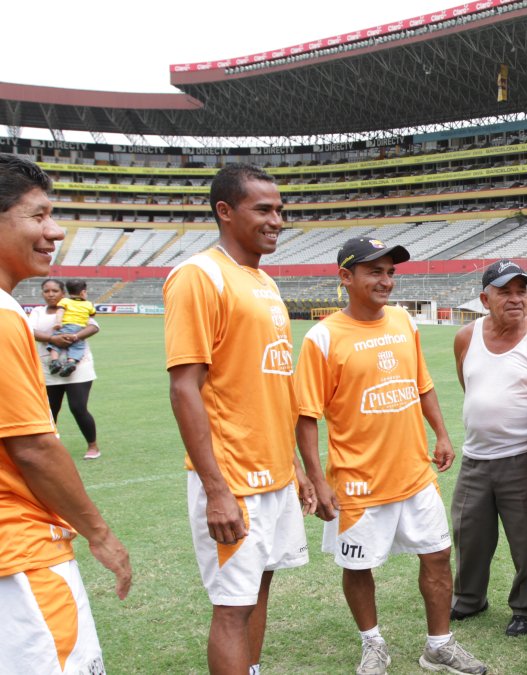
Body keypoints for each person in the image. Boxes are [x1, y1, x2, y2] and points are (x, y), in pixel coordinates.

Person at [296, 237, 488, 675]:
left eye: (390, 272)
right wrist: (316, 480)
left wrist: (440, 433)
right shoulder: (322, 338)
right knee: (359, 566)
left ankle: (439, 646)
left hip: (415, 473)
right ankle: (373, 644)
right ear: (346, 277)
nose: (386, 281)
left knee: (438, 555)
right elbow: (305, 416)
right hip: (358, 481)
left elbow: (421, 384)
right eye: (374, 272)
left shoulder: (403, 321)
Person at [164, 163, 314, 675]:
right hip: (234, 478)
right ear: (225, 212)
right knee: (232, 606)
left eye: (280, 210)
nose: (277, 220)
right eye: (264, 209)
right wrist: (216, 488)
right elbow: (185, 387)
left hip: (272, 472)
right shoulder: (198, 276)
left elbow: (267, 385)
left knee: (259, 585)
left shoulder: (264, 281)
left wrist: (291, 463)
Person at [0, 154, 131, 672]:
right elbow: (31, 445)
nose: (55, 231)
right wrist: (101, 534)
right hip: (21, 547)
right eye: (38, 216)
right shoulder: (6, 317)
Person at [450, 259, 527, 638]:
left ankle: (526, 607)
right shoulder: (466, 336)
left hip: (526, 457)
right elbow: (469, 385)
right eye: (505, 291)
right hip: (476, 458)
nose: (516, 298)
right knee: (468, 533)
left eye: (521, 291)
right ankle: (469, 598)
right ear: (484, 297)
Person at [28, 278, 103, 459]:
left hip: (78, 367)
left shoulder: (76, 306)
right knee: (50, 410)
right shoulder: (37, 312)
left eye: (55, 291)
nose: (51, 294)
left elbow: (93, 327)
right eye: (47, 291)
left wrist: (74, 336)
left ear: (63, 293)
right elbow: (29, 331)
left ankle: (93, 446)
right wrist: (53, 339)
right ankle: (50, 448)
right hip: (49, 368)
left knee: (78, 407)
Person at [46, 279, 95, 376]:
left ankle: (55, 361)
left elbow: (60, 311)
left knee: (55, 343)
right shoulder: (88, 304)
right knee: (77, 347)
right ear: (83, 292)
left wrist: (58, 323)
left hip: (67, 326)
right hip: (81, 329)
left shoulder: (64, 301)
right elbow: (92, 315)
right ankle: (71, 362)